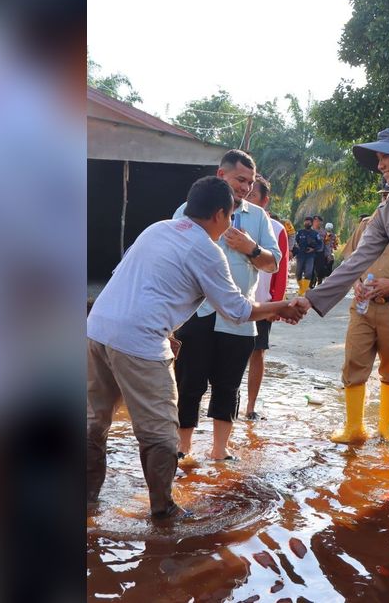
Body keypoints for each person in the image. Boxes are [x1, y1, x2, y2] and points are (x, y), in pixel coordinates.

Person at [87, 176, 303, 520]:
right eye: (230, 217)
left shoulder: (158, 228)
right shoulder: (207, 250)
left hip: (97, 329)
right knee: (160, 431)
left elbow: (135, 280)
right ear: (219, 214)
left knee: (93, 421)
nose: (230, 224)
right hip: (139, 340)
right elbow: (237, 310)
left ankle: (86, 499)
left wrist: (168, 329)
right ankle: (163, 509)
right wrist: (282, 305)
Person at [296, 126, 389, 500]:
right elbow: (357, 260)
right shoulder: (387, 211)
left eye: (384, 157)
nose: (379, 165)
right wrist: (310, 300)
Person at [171, 150, 281, 461]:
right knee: (189, 381)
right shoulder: (188, 211)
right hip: (198, 310)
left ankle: (220, 451)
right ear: (222, 175)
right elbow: (177, 254)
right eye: (240, 179)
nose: (246, 187)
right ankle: (183, 448)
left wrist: (251, 248)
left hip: (239, 315)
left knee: (228, 385)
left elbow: (273, 264)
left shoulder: (258, 218)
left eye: (250, 182)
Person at [331, 186, 389, 444]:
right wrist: (356, 284)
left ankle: (386, 428)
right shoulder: (367, 224)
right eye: (384, 195)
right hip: (363, 307)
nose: (387, 200)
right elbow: (350, 260)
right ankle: (354, 428)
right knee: (354, 361)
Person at [242, 175, 288, 421]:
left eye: (252, 195)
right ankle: (227, 403)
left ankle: (250, 406)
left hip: (262, 303)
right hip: (235, 300)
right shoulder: (232, 221)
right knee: (231, 352)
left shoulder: (277, 229)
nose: (246, 198)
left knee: (258, 352)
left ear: (265, 200)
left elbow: (280, 271)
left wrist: (275, 306)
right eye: (245, 193)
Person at [294, 216, 322, 296]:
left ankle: (303, 291)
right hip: (300, 255)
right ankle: (301, 288)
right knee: (298, 273)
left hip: (310, 256)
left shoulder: (315, 234)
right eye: (306, 221)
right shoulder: (300, 232)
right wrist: (296, 248)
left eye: (309, 222)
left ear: (311, 223)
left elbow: (320, 244)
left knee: (308, 273)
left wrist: (313, 249)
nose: (307, 223)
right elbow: (294, 242)